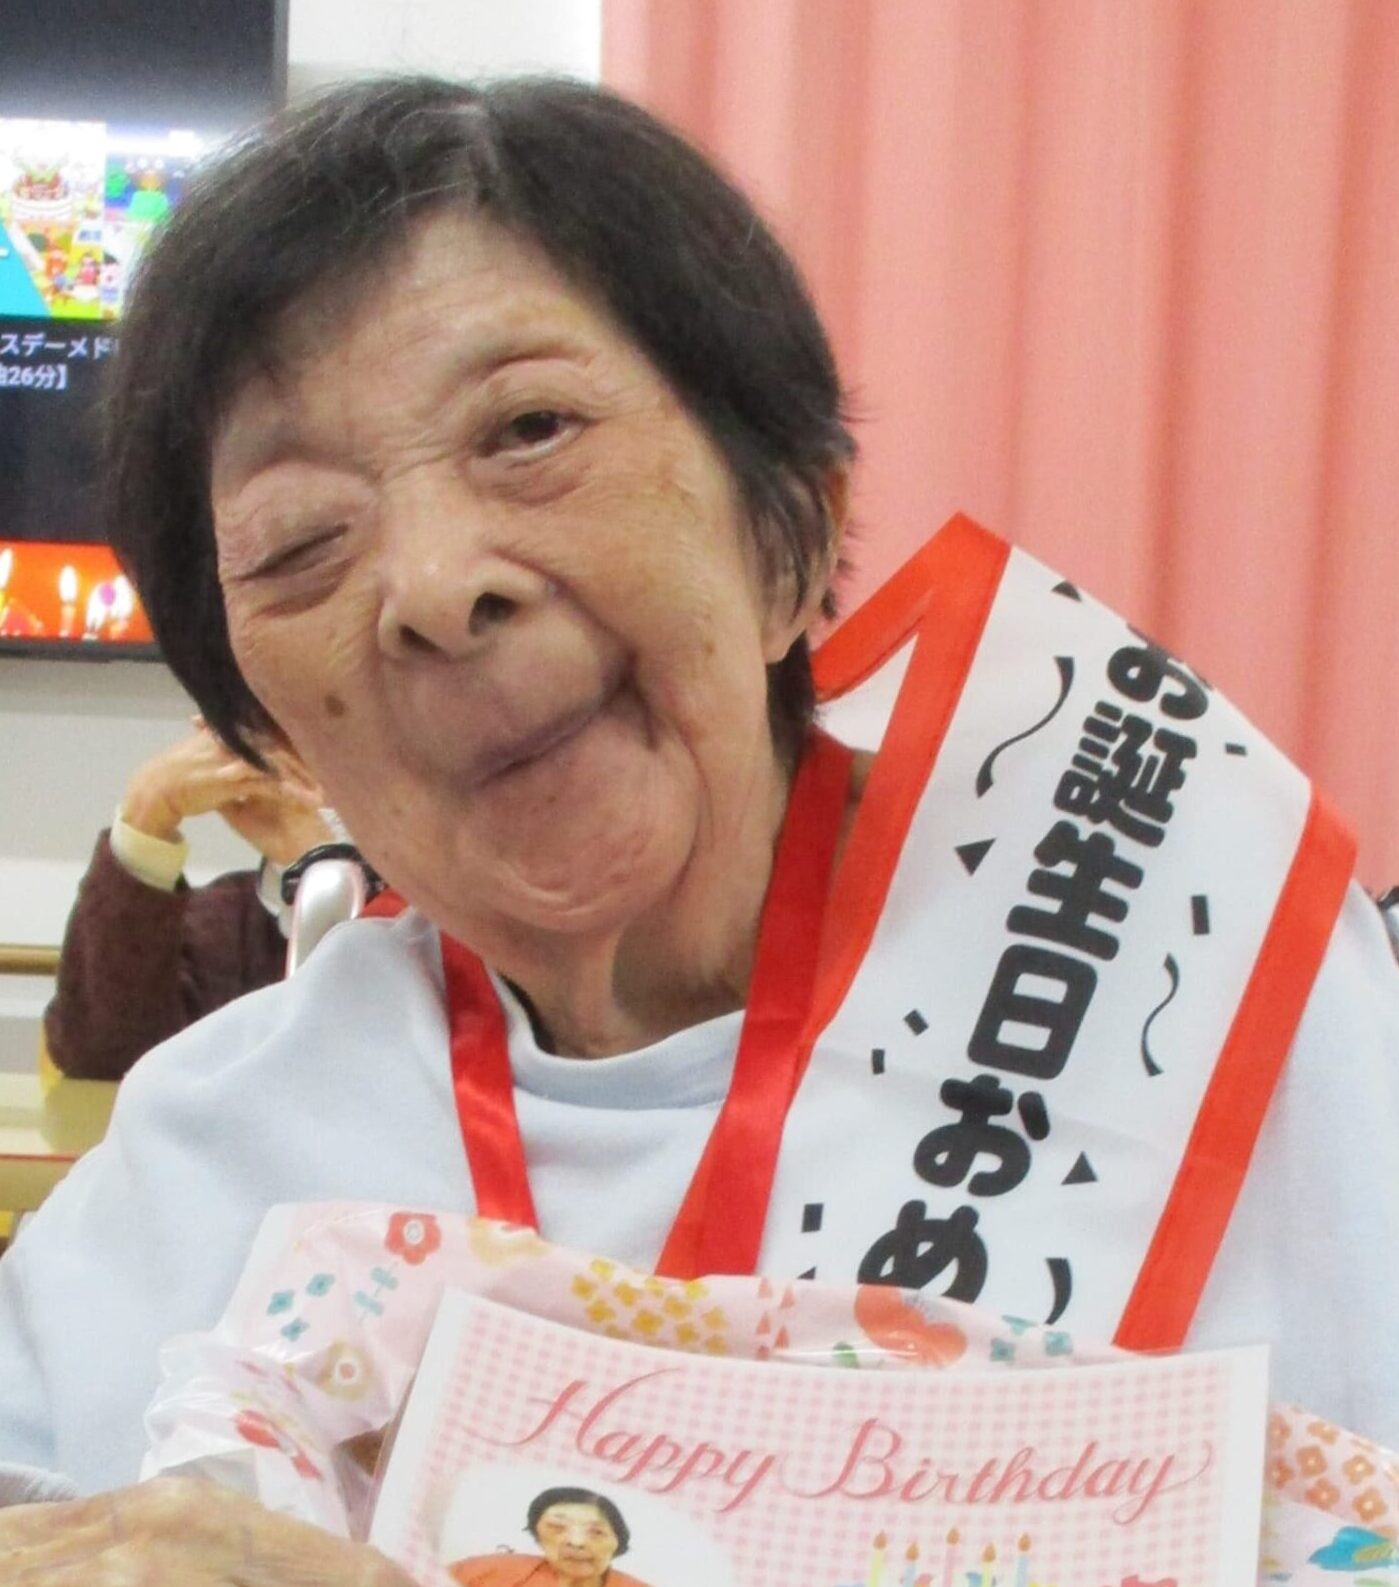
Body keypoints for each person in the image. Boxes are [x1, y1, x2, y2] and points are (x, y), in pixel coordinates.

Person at [0, 75, 1392, 1584]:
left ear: (790, 537)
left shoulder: (1202, 973)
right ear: (271, 731)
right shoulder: (210, 1158)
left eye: (527, 429)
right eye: (299, 546)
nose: (435, 587)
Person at [43, 722, 332, 1079]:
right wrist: (145, 819)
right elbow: (102, 1058)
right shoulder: (219, 922)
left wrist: (328, 865)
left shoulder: (403, 919)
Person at [447, 1488, 649, 1587]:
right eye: (557, 1527)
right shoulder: (479, 1572)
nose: (576, 1542)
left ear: (618, 1543)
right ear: (537, 1535)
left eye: (596, 1532)